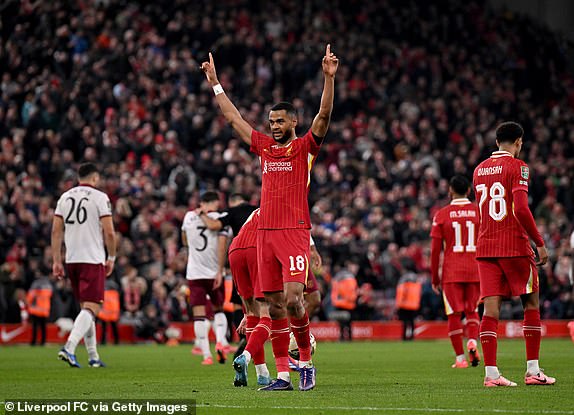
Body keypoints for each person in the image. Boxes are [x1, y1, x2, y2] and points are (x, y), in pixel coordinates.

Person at [201, 43, 338, 391]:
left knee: (294, 299)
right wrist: (215, 83)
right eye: (272, 121)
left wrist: (328, 78)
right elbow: (233, 119)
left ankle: (305, 362)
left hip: (293, 232)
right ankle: (281, 376)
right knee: (274, 307)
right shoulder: (263, 147)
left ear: (294, 122)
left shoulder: (305, 147)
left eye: (280, 121)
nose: (275, 126)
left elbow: (323, 116)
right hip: (265, 235)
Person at [473, 121, 555, 387]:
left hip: (486, 248)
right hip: (514, 246)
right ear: (519, 142)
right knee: (530, 304)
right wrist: (539, 242)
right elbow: (520, 208)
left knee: (490, 310)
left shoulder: (479, 170)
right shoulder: (518, 167)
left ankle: (491, 374)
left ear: (497, 142)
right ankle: (533, 371)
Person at [52, 162, 116, 368]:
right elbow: (110, 232)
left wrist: (56, 260)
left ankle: (93, 357)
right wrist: (112, 257)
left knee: (86, 309)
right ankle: (69, 348)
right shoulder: (99, 197)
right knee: (92, 307)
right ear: (95, 178)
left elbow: (55, 231)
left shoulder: (65, 197)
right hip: (92, 258)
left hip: (72, 260)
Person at [430, 175, 481, 368]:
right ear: (469, 191)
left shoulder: (441, 215)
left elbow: (435, 251)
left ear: (450, 191)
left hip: (452, 272)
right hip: (475, 269)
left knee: (453, 315)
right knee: (472, 311)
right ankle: (473, 342)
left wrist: (435, 277)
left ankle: (460, 359)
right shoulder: (479, 212)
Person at [182, 191, 231, 365]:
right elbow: (222, 245)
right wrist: (220, 270)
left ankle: (206, 355)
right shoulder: (221, 217)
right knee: (219, 309)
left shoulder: (188, 217)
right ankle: (220, 341)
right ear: (215, 203)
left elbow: (184, 240)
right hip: (213, 273)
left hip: (194, 272)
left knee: (198, 315)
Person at [227, 209, 272, 387]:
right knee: (267, 313)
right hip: (257, 249)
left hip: (235, 249)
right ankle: (245, 357)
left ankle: (262, 374)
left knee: (253, 314)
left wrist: (245, 314)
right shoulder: (282, 209)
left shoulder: (255, 211)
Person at [26, 274, 53, 346]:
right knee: (43, 328)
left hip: (35, 311)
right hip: (43, 311)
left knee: (35, 327)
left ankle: (34, 342)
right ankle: (43, 342)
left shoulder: (33, 289)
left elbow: (28, 300)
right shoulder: (48, 288)